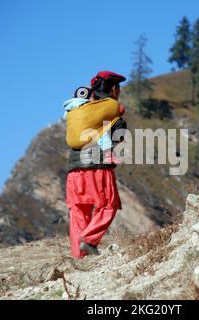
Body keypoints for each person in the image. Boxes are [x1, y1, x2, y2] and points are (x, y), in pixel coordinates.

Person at [64, 71, 127, 259]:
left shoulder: (76, 110)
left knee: (78, 212)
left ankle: (79, 257)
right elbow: (119, 125)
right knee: (108, 205)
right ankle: (89, 240)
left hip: (74, 170)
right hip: (96, 166)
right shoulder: (111, 106)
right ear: (114, 89)